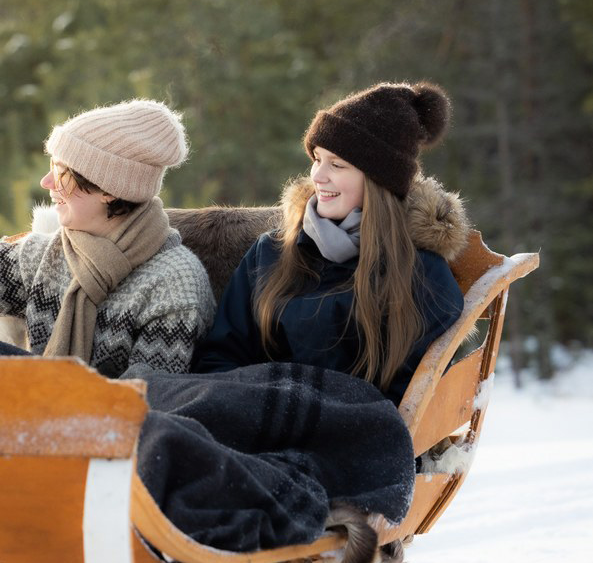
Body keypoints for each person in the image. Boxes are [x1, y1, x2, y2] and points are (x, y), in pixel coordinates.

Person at [193, 81, 466, 405]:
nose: (318, 176)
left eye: (337, 165)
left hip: (347, 440)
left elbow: (407, 409)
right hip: (251, 424)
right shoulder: (271, 254)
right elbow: (217, 361)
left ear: (380, 181)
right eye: (317, 159)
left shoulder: (422, 276)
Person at [0, 99, 216, 378]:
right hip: (37, 408)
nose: (46, 183)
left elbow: (147, 404)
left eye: (61, 173)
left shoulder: (174, 285)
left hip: (116, 426)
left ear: (108, 190)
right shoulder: (50, 254)